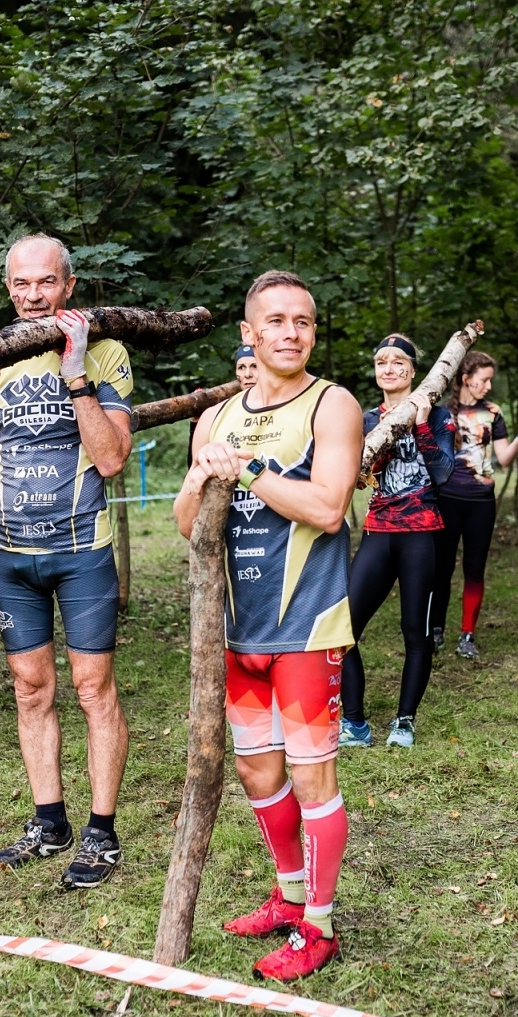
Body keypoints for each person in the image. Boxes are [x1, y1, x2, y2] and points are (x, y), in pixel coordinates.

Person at [174, 269, 361, 981]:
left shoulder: (332, 404)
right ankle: (288, 897)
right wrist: (200, 477)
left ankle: (320, 926)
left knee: (313, 780)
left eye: (303, 321)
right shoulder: (215, 417)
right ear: (248, 333)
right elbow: (188, 526)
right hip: (237, 630)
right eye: (276, 321)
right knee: (257, 771)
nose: (291, 333)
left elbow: (328, 509)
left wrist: (247, 470)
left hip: (308, 626)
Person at [0, 234, 134, 890]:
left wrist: (77, 370)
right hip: (11, 559)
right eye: (22, 284)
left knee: (92, 689)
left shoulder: (107, 350)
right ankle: (49, 821)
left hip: (82, 553)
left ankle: (101, 832)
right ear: (8, 289)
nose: (34, 296)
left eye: (47, 282)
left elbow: (111, 459)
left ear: (69, 285)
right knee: (30, 689)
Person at [339, 334, 455, 749]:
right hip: (378, 531)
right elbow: (355, 477)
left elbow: (443, 473)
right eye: (381, 362)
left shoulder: (438, 416)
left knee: (415, 633)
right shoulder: (365, 420)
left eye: (397, 361)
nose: (388, 368)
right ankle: (354, 722)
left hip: (421, 536)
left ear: (413, 370)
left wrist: (419, 423)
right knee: (342, 629)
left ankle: (404, 722)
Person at [430, 351, 518, 660]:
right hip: (446, 499)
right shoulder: (440, 413)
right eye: (484, 380)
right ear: (466, 379)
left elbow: (503, 458)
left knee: (474, 568)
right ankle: (435, 631)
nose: (488, 386)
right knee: (441, 568)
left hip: (481, 503)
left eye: (490, 380)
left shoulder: (493, 413)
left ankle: (467, 635)